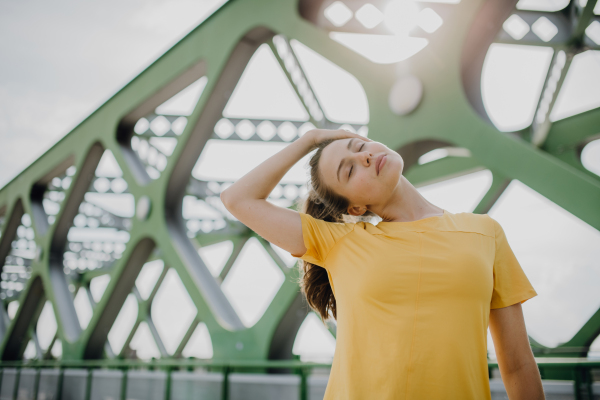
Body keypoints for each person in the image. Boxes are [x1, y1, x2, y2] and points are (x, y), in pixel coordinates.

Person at [220, 128, 544, 399]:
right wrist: (310, 139)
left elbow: (517, 365)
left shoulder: (485, 232)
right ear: (357, 208)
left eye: (360, 146)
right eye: (349, 170)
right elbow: (238, 199)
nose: (364, 157)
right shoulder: (338, 242)